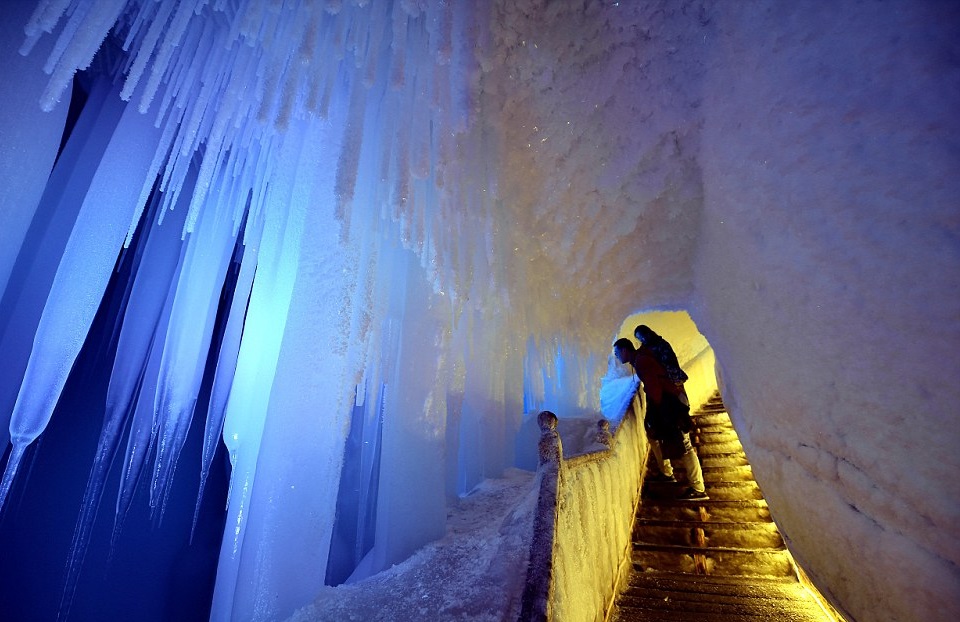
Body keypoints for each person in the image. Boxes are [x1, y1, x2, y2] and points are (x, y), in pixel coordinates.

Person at [613, 338, 707, 500]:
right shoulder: (641, 358)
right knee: (654, 436)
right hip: (671, 402)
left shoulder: (642, 361)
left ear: (624, 350)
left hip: (670, 405)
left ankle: (698, 489)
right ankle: (667, 472)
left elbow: (655, 390)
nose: (617, 357)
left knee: (684, 444)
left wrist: (654, 415)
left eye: (617, 353)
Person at [635, 324, 689, 405]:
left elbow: (669, 362)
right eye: (639, 338)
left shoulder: (661, 345)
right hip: (662, 382)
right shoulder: (645, 349)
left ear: (648, 333)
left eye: (642, 336)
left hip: (672, 378)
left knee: (681, 401)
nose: (642, 340)